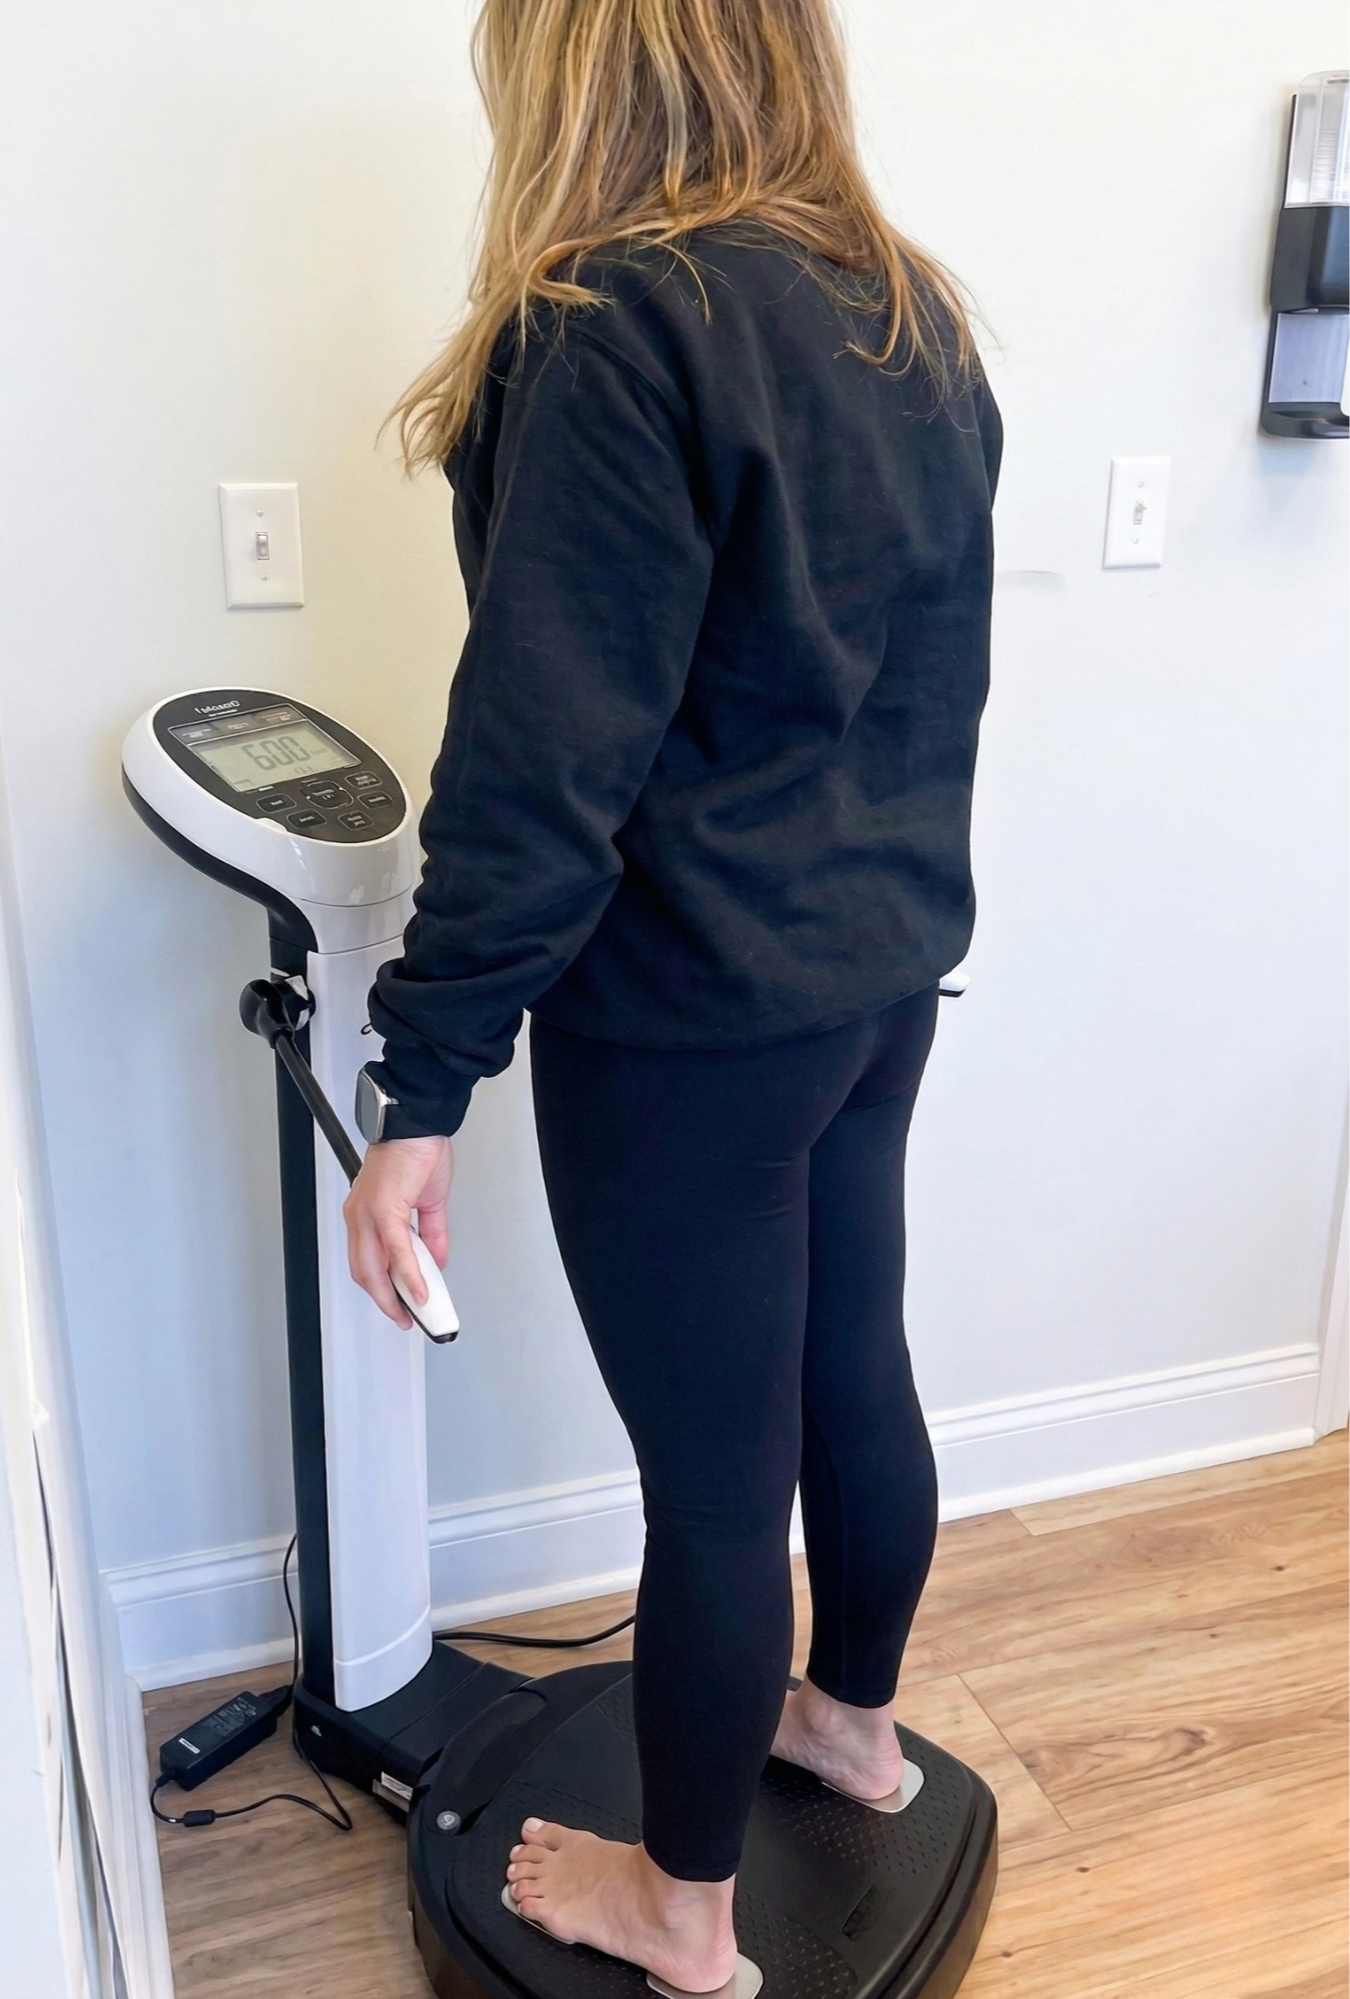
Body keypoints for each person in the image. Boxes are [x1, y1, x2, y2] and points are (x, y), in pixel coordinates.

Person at [343, 0, 1000, 1990]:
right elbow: (922, 687)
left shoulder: (612, 323)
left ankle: (685, 1919)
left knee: (716, 1479)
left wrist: (421, 1087)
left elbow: (542, 759)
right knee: (852, 1374)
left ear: (579, 69)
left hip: (698, 1021)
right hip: (875, 984)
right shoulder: (910, 310)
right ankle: (854, 1732)